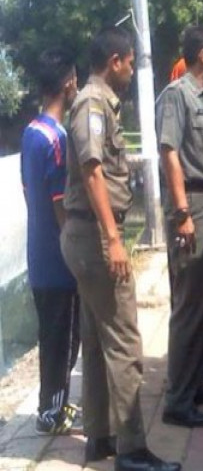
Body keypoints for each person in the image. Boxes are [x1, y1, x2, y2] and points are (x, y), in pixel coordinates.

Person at [60, 27, 180, 471]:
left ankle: (99, 437)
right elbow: (93, 169)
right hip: (94, 237)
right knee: (126, 344)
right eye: (130, 63)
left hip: (85, 234)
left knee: (96, 342)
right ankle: (132, 451)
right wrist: (114, 239)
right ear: (115, 61)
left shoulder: (96, 102)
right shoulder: (93, 104)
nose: (132, 70)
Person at [155, 26, 203, 428]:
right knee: (189, 307)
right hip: (194, 206)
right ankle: (178, 401)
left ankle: (195, 384)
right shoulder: (177, 96)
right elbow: (170, 152)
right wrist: (182, 212)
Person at [21, 49, 81, 436]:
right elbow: (61, 204)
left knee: (52, 335)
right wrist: (72, 250)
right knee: (63, 339)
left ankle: (53, 404)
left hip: (38, 255)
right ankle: (51, 412)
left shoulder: (30, 133)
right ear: (68, 84)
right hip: (59, 261)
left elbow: (31, 193)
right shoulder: (57, 139)